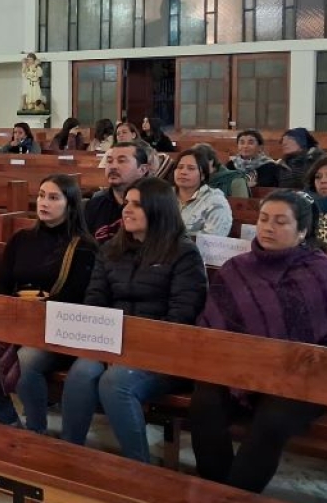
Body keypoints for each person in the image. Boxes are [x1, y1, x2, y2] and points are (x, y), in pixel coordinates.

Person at [190, 192, 327, 493]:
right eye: (264, 219)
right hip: (240, 371)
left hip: (305, 378)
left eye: (281, 222)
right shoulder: (236, 268)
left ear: (302, 230)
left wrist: (291, 365)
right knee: (205, 404)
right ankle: (214, 491)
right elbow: (213, 327)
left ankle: (234, 496)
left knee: (272, 418)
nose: (268, 227)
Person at [61, 177, 207, 463]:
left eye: (137, 204)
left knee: (115, 383)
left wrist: (129, 349)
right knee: (81, 374)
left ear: (159, 210)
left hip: (162, 353)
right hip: (110, 343)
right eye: (127, 202)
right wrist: (104, 343)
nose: (126, 209)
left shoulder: (183, 253)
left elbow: (181, 316)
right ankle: (69, 455)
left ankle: (140, 469)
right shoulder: (112, 249)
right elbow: (95, 300)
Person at [0, 174, 98, 430]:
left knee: (26, 362)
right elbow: (1, 283)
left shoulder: (84, 247)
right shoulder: (21, 239)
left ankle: (36, 429)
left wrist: (30, 315)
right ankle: (8, 420)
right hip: (17, 318)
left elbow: (74, 296)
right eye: (41, 195)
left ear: (70, 204)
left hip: (57, 328)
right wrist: (13, 312)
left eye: (54, 197)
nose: (44, 202)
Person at [85, 142, 152, 242]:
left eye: (121, 161)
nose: (113, 166)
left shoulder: (156, 204)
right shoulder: (93, 205)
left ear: (142, 170)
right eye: (109, 161)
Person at [172, 149, 232, 238]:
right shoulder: (164, 195)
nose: (183, 172)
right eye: (180, 167)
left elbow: (212, 241)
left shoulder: (215, 201)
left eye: (191, 168)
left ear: (203, 175)